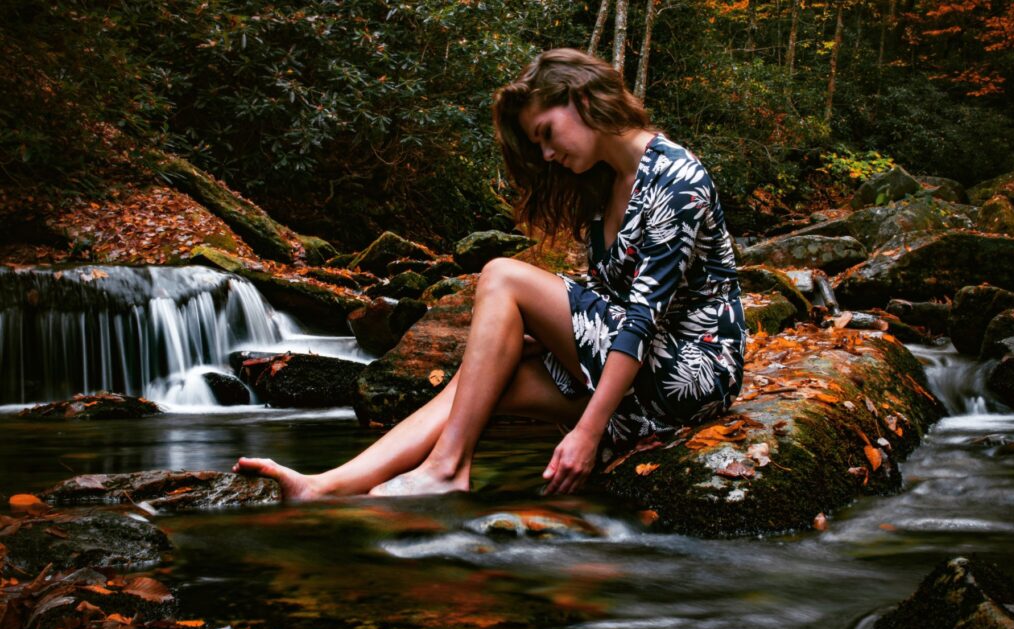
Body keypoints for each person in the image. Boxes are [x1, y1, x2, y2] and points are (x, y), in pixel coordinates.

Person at [232, 48, 745, 498]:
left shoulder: (677, 179)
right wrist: (536, 338)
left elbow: (641, 318)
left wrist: (587, 433)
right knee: (482, 379)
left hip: (691, 374)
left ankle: (446, 468)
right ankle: (327, 485)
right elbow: (606, 296)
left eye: (546, 134)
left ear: (583, 98)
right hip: (643, 375)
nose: (547, 154)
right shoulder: (607, 183)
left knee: (501, 274)